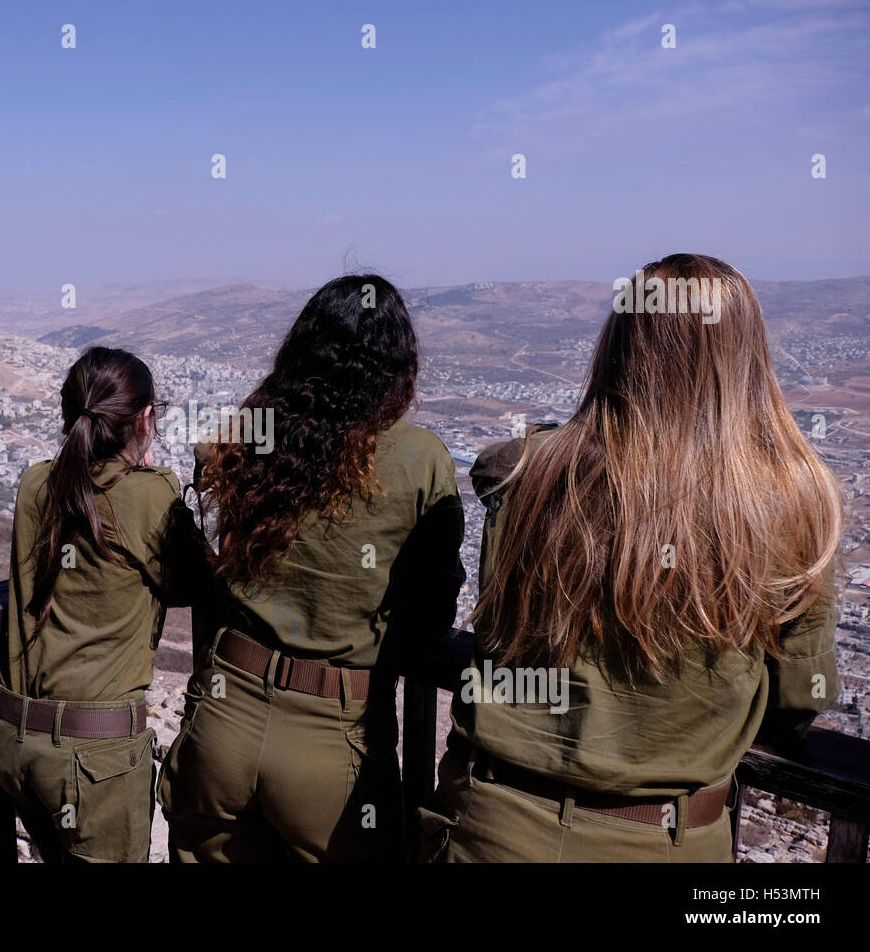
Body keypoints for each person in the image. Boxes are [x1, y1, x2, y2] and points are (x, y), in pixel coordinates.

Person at [420, 253, 842, 862]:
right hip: (665, 839)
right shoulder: (795, 505)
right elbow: (798, 694)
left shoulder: (523, 471)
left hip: (495, 821)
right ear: (747, 355)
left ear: (619, 345)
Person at [157, 274, 466, 862]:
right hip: (333, 736)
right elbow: (432, 611)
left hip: (224, 715)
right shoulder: (420, 459)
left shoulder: (256, 434)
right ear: (399, 364)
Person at [0, 346, 213, 862]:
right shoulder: (149, 498)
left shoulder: (33, 484)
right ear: (146, 419)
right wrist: (162, 482)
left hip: (18, 744)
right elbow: (205, 583)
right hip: (95, 763)